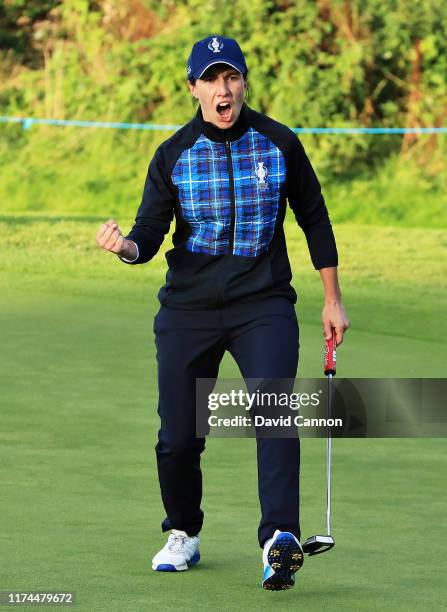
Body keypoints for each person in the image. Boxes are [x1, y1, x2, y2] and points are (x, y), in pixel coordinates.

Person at [96, 35, 350, 591]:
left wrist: (332, 298)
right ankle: (183, 531)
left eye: (230, 77)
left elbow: (315, 218)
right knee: (179, 437)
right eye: (210, 79)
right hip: (188, 308)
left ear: (244, 83)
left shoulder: (279, 143)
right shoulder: (173, 154)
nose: (222, 89)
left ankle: (279, 538)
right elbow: (147, 234)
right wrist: (126, 249)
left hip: (263, 303)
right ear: (193, 89)